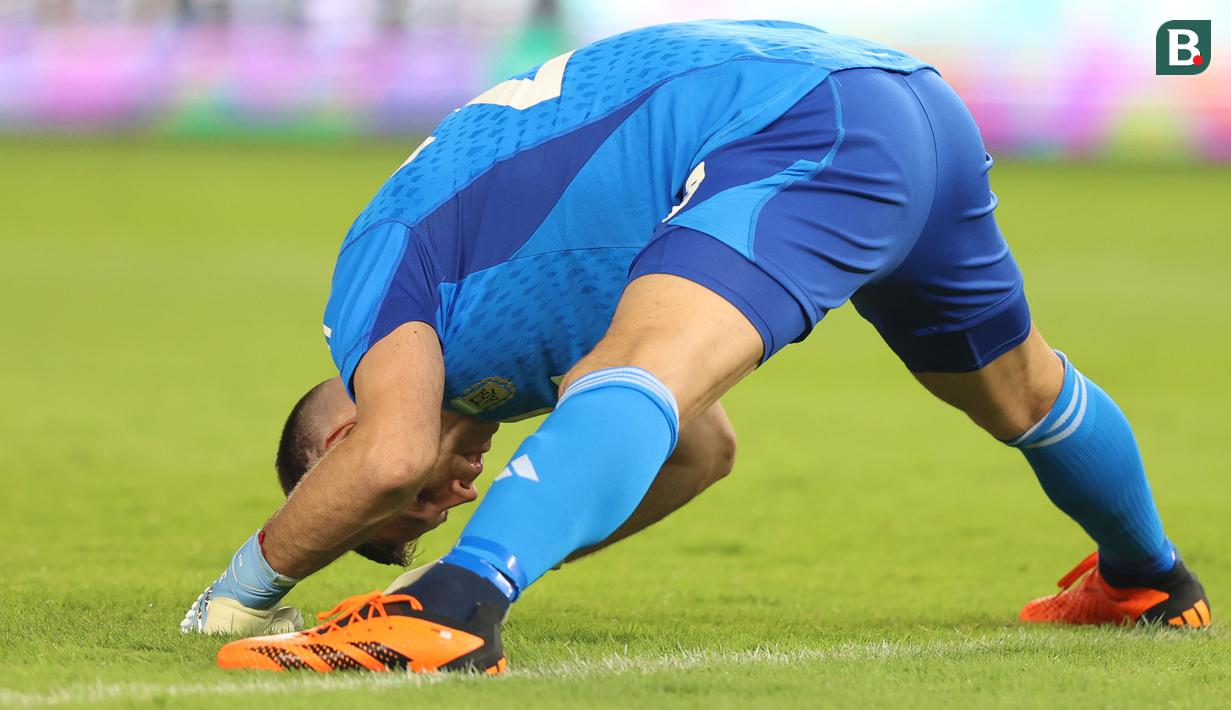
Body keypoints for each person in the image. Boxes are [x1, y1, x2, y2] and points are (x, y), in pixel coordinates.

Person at [181, 19, 1211, 673]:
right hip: (905, 103)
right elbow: (700, 448)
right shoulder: (500, 323)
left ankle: (448, 607)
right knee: (1021, 389)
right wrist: (510, 527)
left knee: (631, 367)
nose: (438, 495)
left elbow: (393, 451)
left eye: (397, 518)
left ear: (336, 437)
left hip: (795, 123)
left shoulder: (369, 301)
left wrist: (234, 596)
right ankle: (1143, 577)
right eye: (426, 527)